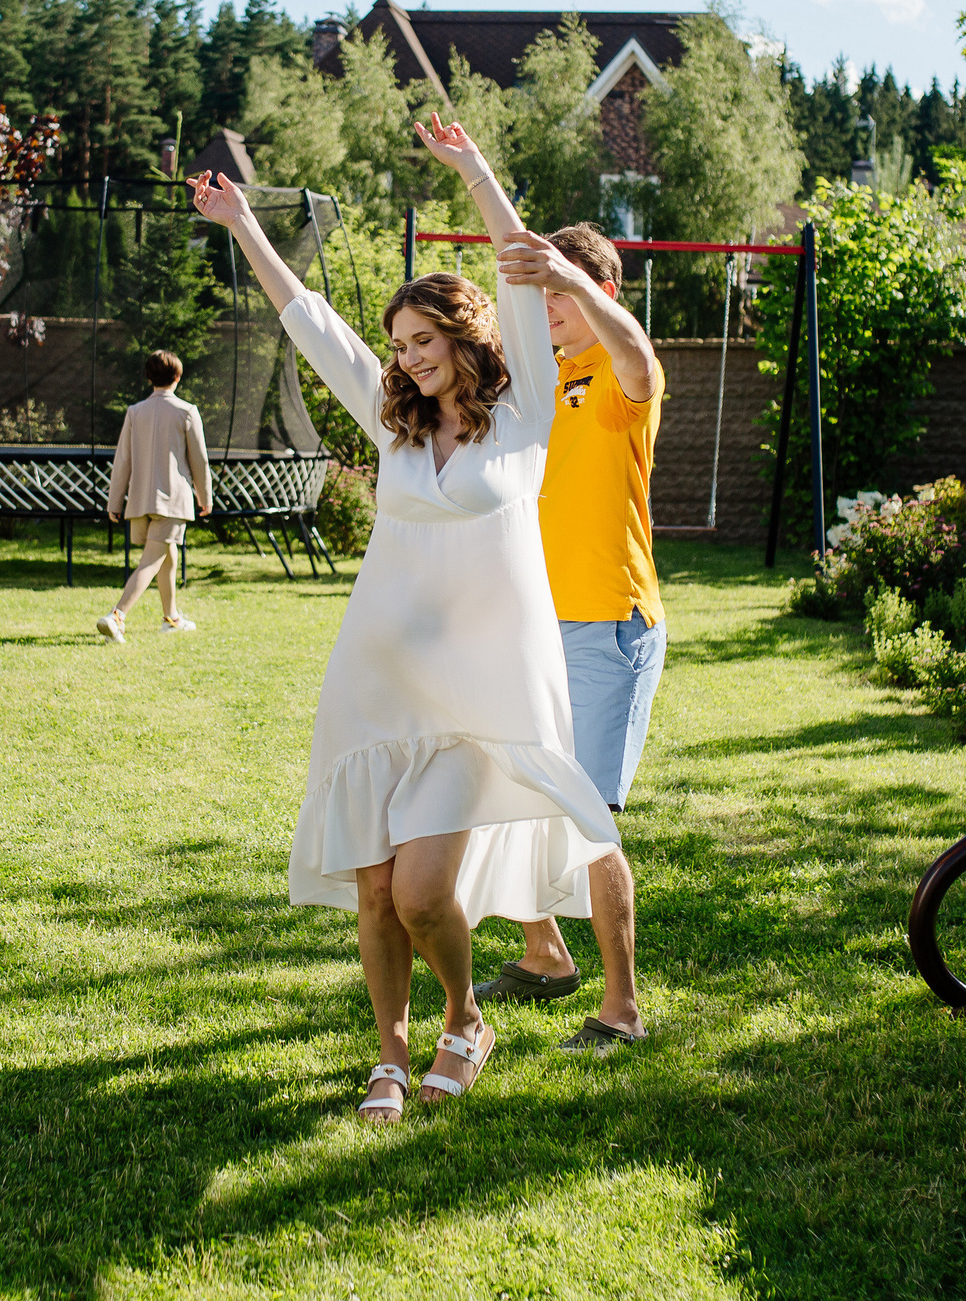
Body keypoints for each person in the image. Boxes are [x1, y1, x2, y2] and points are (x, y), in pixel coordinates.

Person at [190, 119, 620, 1123]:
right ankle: (388, 1052)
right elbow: (309, 322)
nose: (409, 360)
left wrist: (475, 171)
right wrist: (244, 224)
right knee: (375, 891)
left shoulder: (524, 418)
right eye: (399, 346)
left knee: (425, 891)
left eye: (424, 342)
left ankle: (464, 1016)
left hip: (476, 702)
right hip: (378, 685)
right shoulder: (395, 425)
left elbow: (520, 273)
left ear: (466, 340)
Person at [478, 223, 667, 1052]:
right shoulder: (542, 375)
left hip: (608, 623)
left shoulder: (625, 373)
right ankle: (546, 954)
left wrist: (573, 279)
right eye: (543, 292)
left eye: (565, 290)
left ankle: (620, 1008)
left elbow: (636, 351)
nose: (549, 304)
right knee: (512, 786)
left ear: (603, 292)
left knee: (590, 818)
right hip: (534, 621)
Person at [97, 349, 212, 642]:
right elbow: (199, 460)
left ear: (148, 378)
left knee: (166, 556)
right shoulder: (187, 411)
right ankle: (117, 616)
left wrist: (114, 501)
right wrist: (205, 496)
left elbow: (122, 459)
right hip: (173, 501)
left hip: (140, 501)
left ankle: (171, 619)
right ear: (178, 377)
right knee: (151, 562)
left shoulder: (135, 411)